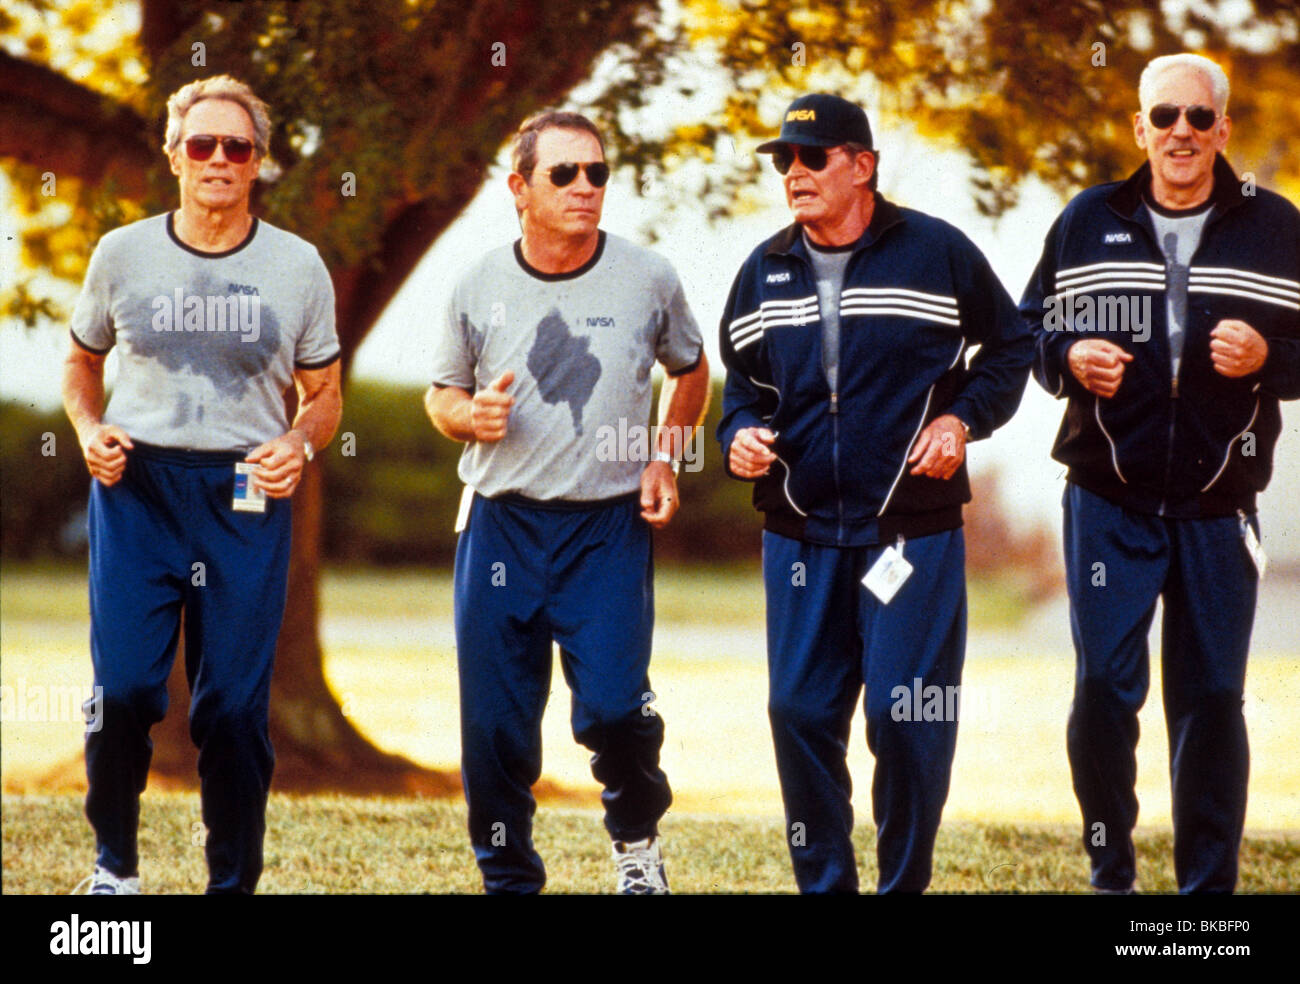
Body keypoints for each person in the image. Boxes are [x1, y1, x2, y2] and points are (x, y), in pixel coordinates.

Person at [718, 93, 1033, 893]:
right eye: (783, 159)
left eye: (811, 157)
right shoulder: (763, 269)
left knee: (906, 715)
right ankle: (827, 886)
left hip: (911, 531)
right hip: (798, 535)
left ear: (861, 166)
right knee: (797, 713)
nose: (793, 173)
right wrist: (738, 436)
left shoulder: (937, 251)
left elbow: (1012, 345)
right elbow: (743, 388)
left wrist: (963, 419)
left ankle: (902, 884)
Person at [1021, 53, 1300, 893]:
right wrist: (1068, 353)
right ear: (1138, 127)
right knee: (1105, 687)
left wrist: (1268, 356)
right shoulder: (1085, 221)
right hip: (1109, 497)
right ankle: (1113, 872)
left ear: (1224, 129)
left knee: (1212, 699)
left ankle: (1205, 895)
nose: (1182, 132)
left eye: (1199, 118)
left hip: (1222, 503)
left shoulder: (1276, 227)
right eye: (1165, 117)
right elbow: (1023, 337)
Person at [62, 75, 342, 894]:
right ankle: (114, 868)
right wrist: (89, 430)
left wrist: (298, 442)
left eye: (238, 147)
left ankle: (232, 882)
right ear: (175, 156)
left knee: (229, 709)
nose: (219, 159)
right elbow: (82, 363)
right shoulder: (123, 254)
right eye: (203, 144)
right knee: (125, 692)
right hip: (137, 487)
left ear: (258, 163)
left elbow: (323, 393)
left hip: (244, 494)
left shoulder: (297, 266)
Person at [424, 110, 709, 895]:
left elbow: (691, 368)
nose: (585, 188)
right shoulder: (478, 283)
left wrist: (665, 456)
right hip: (501, 525)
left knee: (618, 710)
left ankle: (636, 841)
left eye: (597, 174)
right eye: (564, 174)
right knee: (492, 729)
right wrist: (467, 416)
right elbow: (441, 395)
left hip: (606, 529)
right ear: (519, 188)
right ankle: (508, 879)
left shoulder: (647, 276)